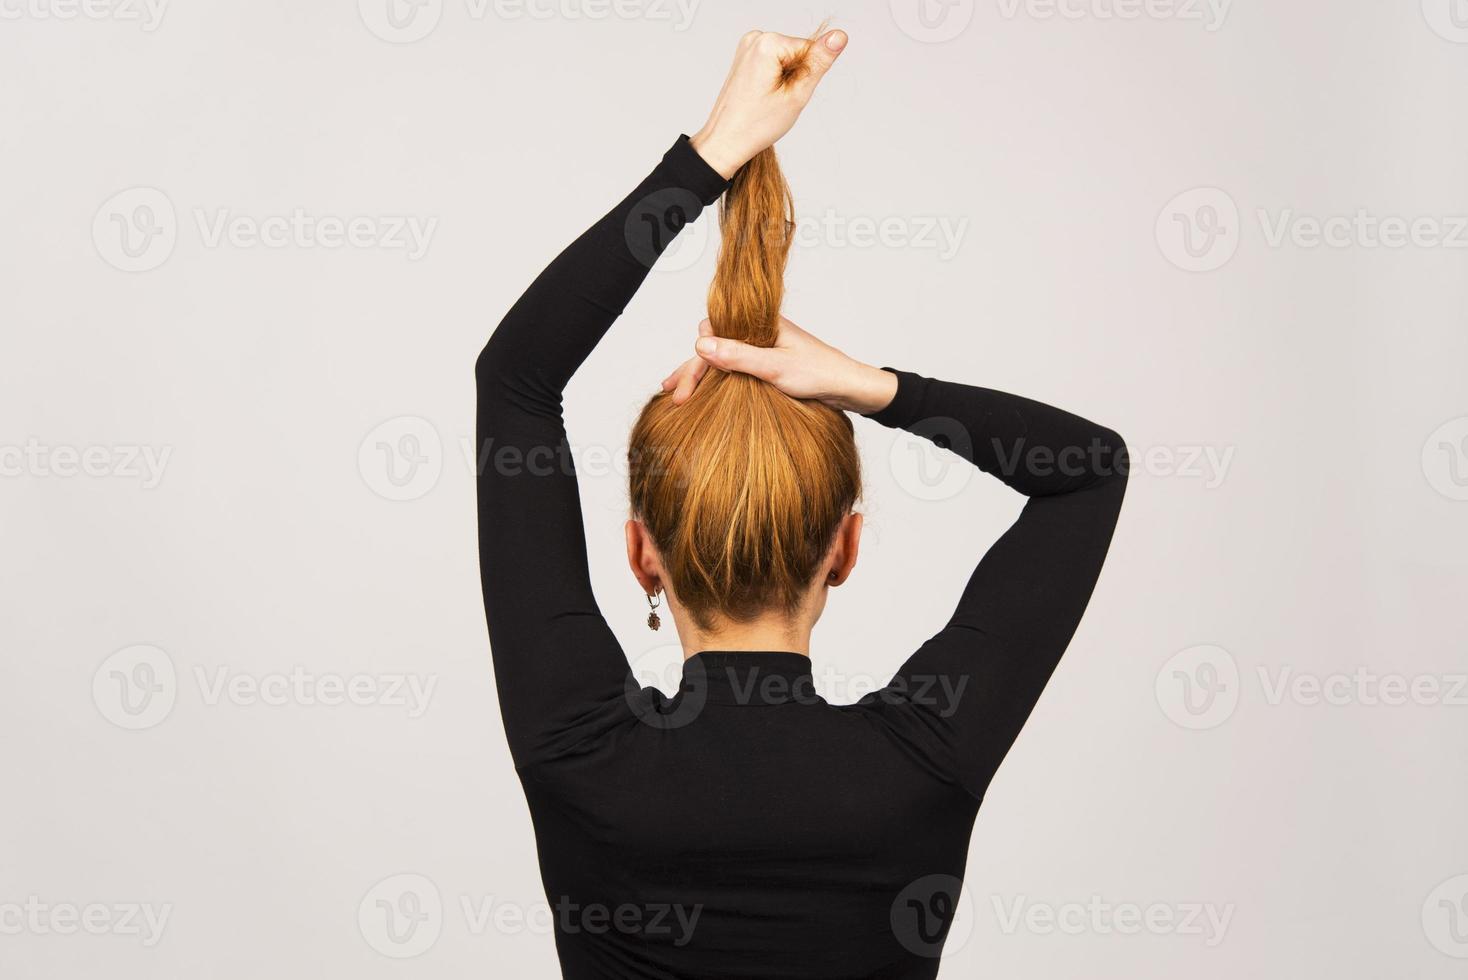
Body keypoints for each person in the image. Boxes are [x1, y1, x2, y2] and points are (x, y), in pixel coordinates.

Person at [476, 26, 1128, 979]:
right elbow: (1089, 469)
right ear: (847, 549)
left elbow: (517, 381)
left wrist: (707, 158)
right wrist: (876, 387)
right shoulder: (922, 763)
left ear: (640, 554)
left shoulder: (580, 754)